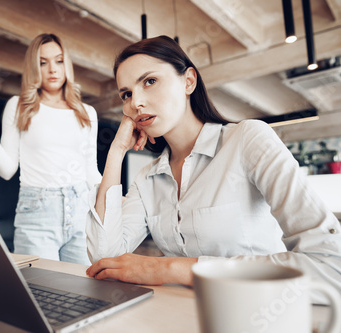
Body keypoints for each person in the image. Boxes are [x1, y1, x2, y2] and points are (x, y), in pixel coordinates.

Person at [85, 35, 341, 303]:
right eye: (126, 94)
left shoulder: (247, 140)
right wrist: (116, 152)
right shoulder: (147, 178)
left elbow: (331, 265)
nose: (135, 103)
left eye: (150, 81)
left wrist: (172, 268)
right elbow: (105, 260)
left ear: (189, 81)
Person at [0, 33, 102, 265]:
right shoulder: (18, 106)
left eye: (58, 61)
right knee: (42, 292)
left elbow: (91, 171)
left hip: (81, 213)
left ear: (67, 64)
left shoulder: (87, 112)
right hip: (37, 214)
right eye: (42, 62)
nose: (52, 69)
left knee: (84, 291)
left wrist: (112, 201)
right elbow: (7, 170)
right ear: (33, 68)